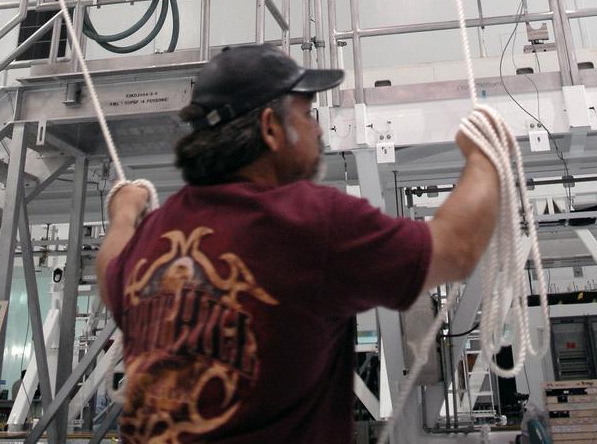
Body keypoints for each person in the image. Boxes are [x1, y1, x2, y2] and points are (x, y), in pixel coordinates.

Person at [97, 44, 500, 443]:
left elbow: (111, 271)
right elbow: (455, 249)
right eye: (307, 114)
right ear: (271, 129)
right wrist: (485, 155)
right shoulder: (307, 221)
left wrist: (125, 213)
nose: (319, 128)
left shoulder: (152, 238)